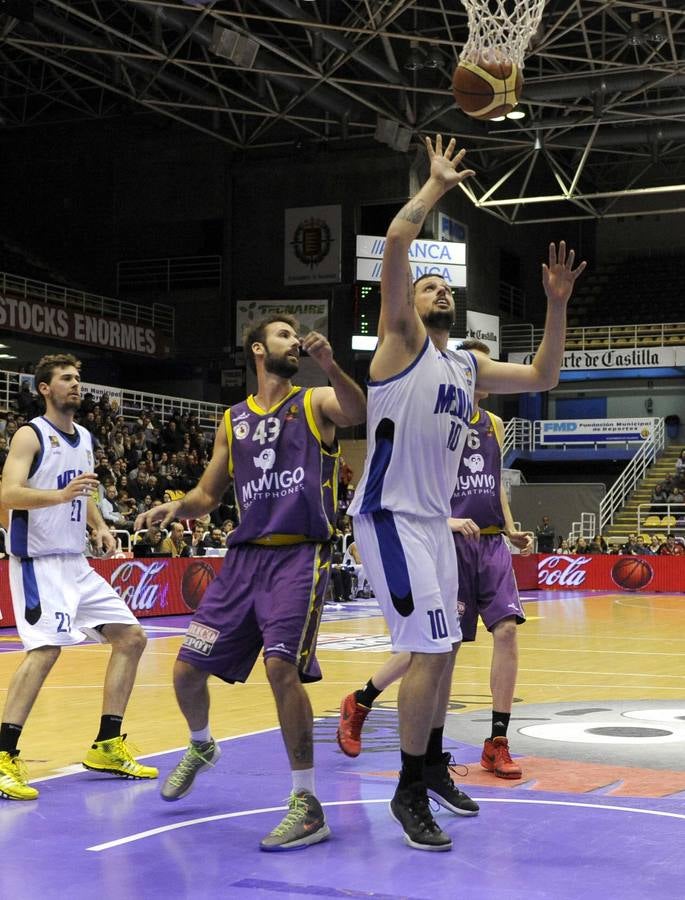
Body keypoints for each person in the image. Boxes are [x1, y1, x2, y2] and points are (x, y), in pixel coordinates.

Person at [346, 134, 585, 852]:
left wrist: (554, 304)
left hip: (434, 526)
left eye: (444, 286)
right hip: (389, 520)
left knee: (444, 651)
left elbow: (543, 376)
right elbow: (395, 237)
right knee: (427, 649)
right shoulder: (398, 343)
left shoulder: (467, 368)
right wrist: (435, 185)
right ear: (408, 304)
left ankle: (431, 765)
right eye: (427, 286)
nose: (439, 289)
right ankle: (407, 789)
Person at [135, 317, 365, 851]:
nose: (295, 342)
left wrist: (331, 363)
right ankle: (201, 745)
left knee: (281, 668)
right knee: (187, 670)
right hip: (242, 562)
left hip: (298, 556)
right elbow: (208, 495)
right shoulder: (232, 419)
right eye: (284, 335)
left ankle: (307, 804)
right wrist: (179, 505)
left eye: (296, 337)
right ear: (259, 350)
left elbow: (357, 412)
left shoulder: (316, 400)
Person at [338, 339, 533, 781]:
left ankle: (496, 741)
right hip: (444, 537)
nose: (482, 369)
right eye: (476, 362)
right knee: (437, 647)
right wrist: (443, 520)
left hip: (489, 542)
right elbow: (420, 478)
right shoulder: (436, 414)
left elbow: (493, 482)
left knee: (506, 632)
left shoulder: (495, 425)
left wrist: (510, 526)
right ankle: (366, 699)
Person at [0, 353, 157, 802]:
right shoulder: (31, 435)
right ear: (44, 388)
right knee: (45, 650)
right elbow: (7, 493)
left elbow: (82, 490)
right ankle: (3, 754)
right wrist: (59, 495)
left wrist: (100, 526)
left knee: (131, 638)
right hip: (39, 563)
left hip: (76, 562)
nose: (75, 384)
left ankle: (108, 744)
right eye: (66, 379)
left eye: (78, 378)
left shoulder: (84, 436)